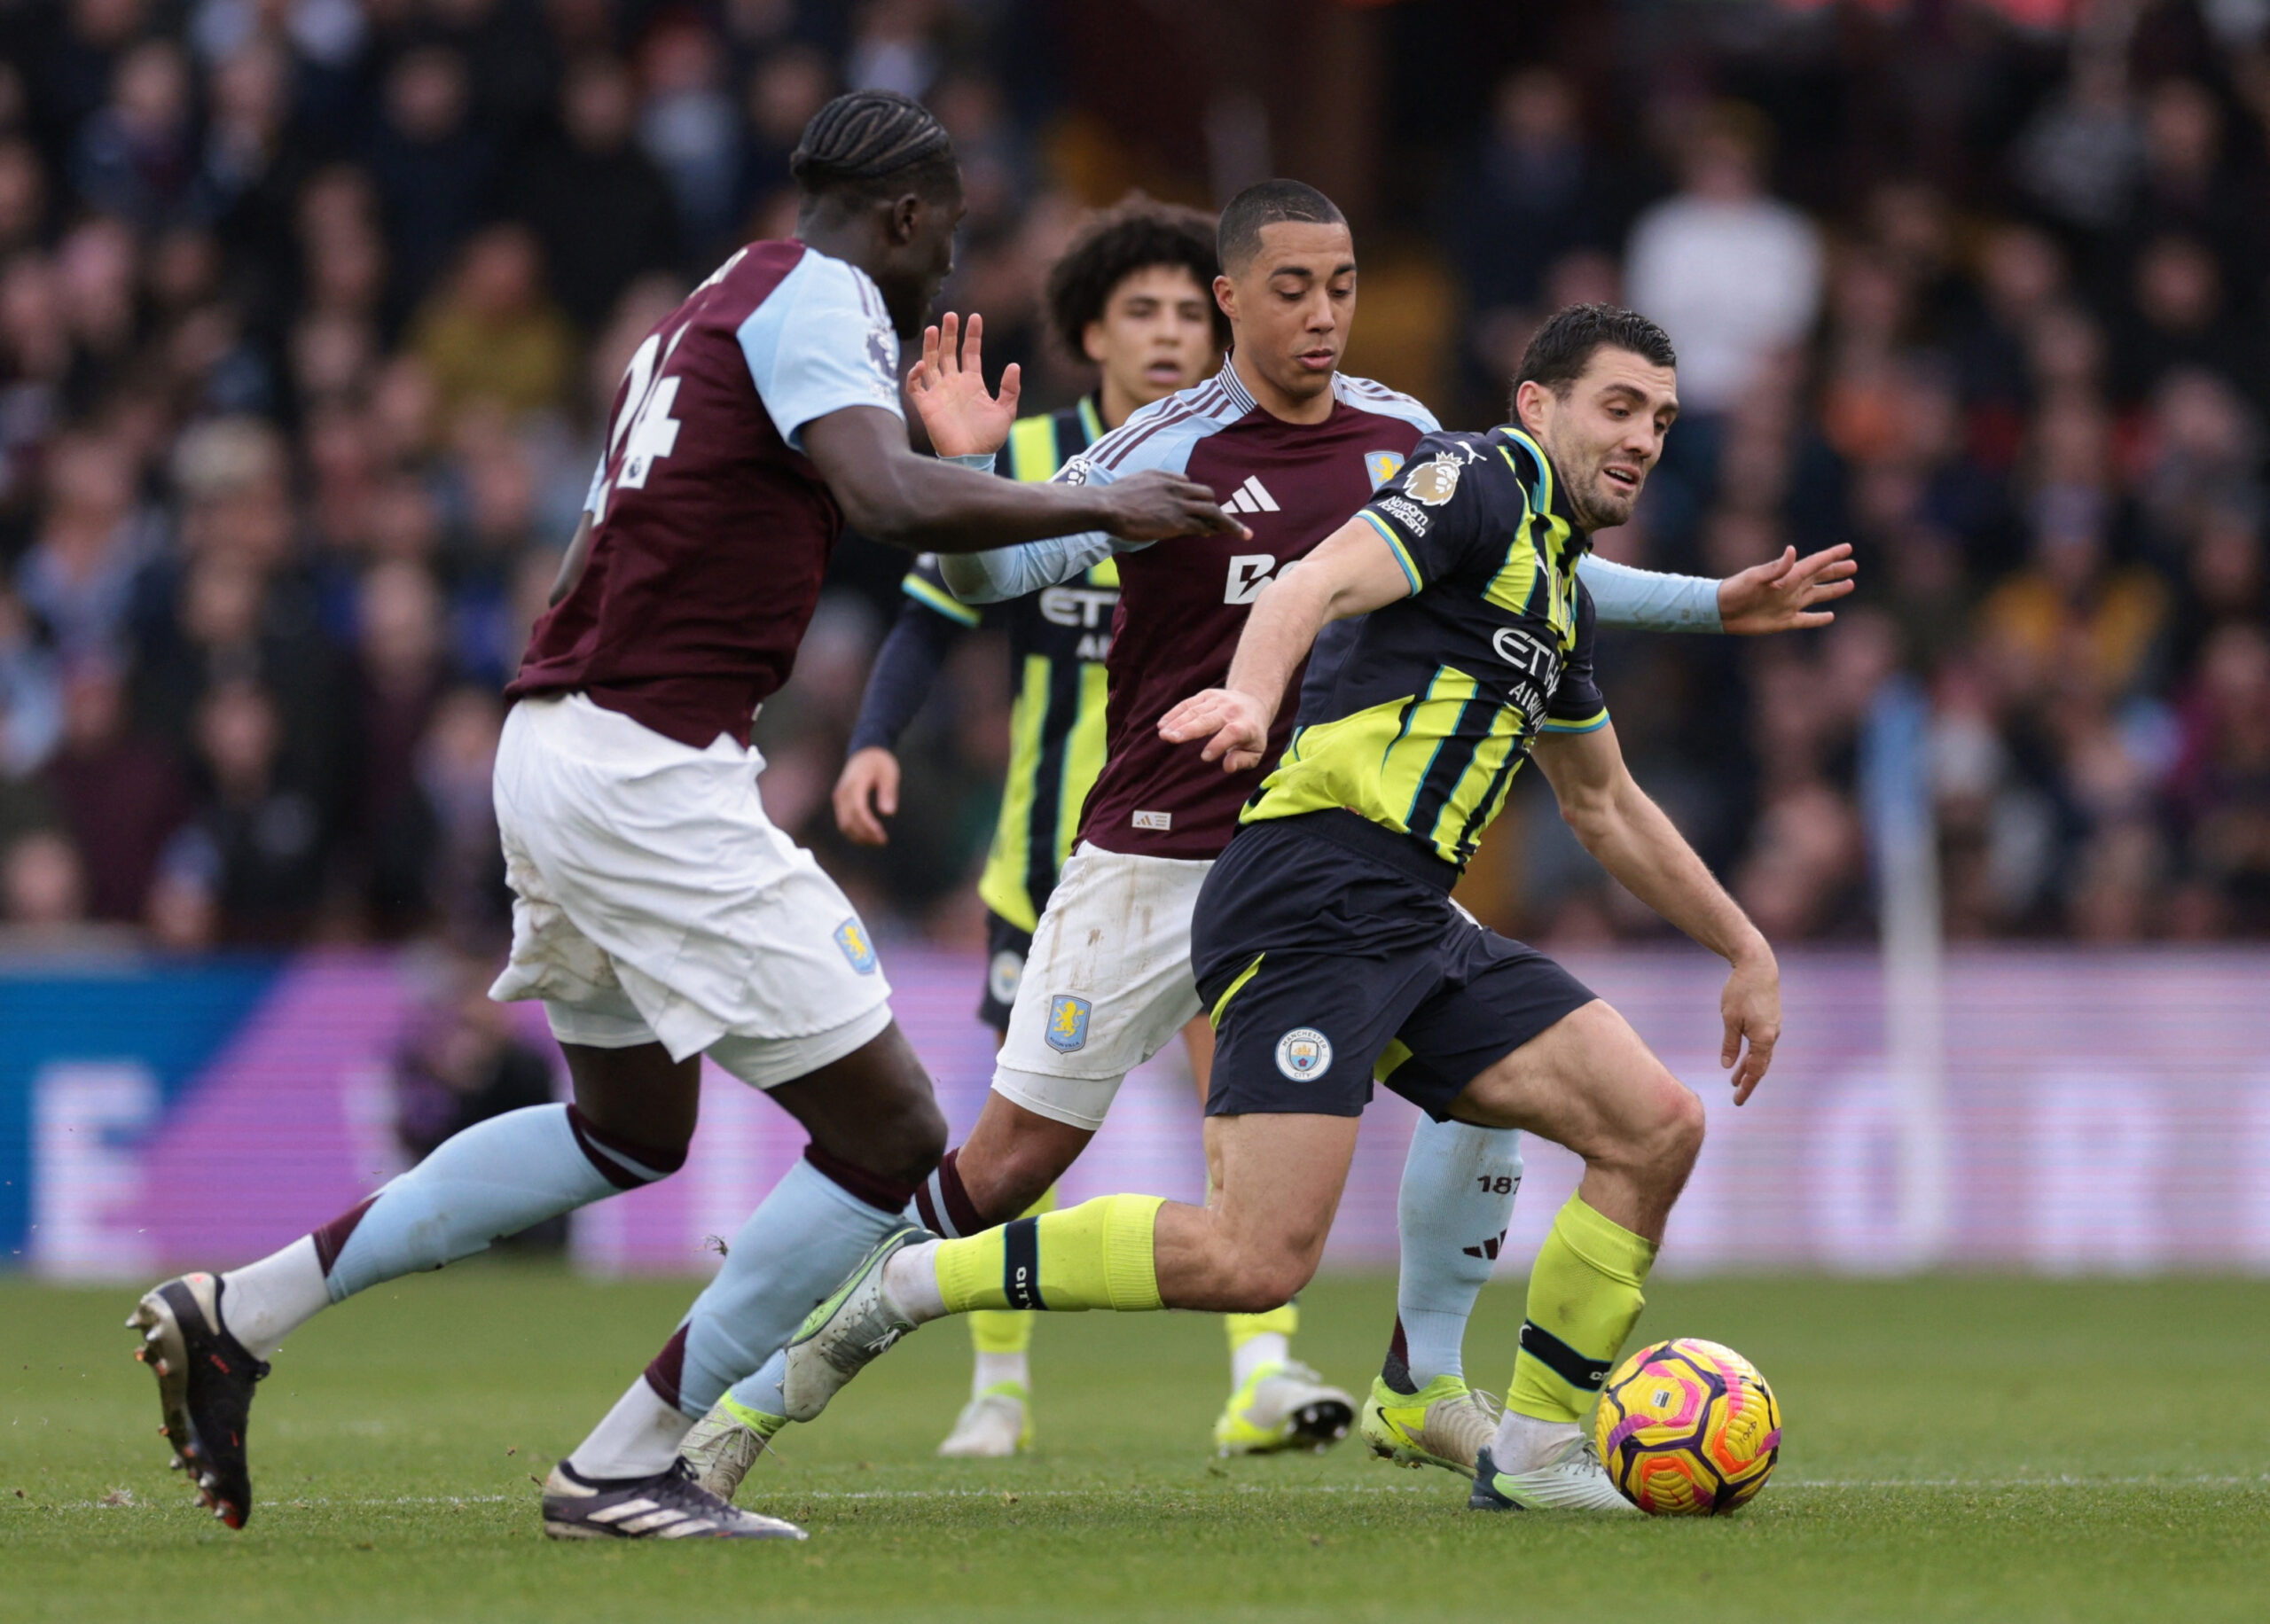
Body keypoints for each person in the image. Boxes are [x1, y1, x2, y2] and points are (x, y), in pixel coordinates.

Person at [124, 90, 1235, 1542]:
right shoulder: (824, 296)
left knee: (630, 1130)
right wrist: (1103, 505)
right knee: (893, 1130)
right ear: (900, 216)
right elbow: (883, 498)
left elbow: (631, 532)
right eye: (948, 234)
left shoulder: (713, 305)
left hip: (567, 736)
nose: (950, 268)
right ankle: (626, 1461)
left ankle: (242, 1308)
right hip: (645, 767)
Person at [682, 185, 1849, 1498]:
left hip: (1347, 869)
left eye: (1344, 285)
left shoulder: (1410, 437)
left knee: (1539, 1111)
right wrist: (967, 483)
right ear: (1240, 297)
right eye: (1292, 287)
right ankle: (810, 1325)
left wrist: (1708, 607)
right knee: (1013, 1168)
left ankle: (1441, 1391)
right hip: (1164, 846)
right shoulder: (1166, 444)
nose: (1324, 313)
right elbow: (1000, 577)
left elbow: (1550, 588)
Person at [823, 198, 1248, 1459]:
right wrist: (873, 741)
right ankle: (997, 1388)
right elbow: (929, 609)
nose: (1171, 334)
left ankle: (1264, 1374)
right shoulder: (1040, 457)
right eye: (1143, 311)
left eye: (1189, 311)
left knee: (1241, 1109)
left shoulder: (1246, 464)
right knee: (1022, 1141)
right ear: (1090, 331)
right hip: (1051, 864)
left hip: (1213, 856)